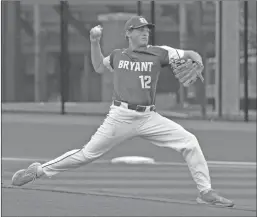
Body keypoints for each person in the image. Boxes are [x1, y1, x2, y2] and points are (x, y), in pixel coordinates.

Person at [12, 16, 234, 207]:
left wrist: (198, 61)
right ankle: (37, 171)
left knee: (190, 142)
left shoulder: (160, 53)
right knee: (86, 155)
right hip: (121, 116)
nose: (145, 33)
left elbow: (192, 54)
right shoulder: (118, 55)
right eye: (140, 30)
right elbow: (99, 67)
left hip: (149, 117)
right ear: (129, 33)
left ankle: (205, 192)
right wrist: (94, 41)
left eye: (147, 30)